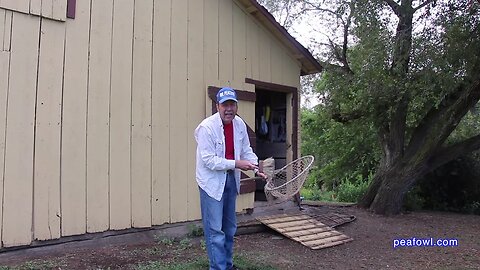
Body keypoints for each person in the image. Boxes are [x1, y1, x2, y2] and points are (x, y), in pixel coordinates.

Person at [194, 87, 266, 270]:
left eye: (232, 104)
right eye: (225, 104)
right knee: (215, 231)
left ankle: (227, 265)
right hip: (211, 184)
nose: (229, 109)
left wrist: (256, 168)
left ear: (236, 106)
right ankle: (218, 268)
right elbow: (209, 161)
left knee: (229, 229)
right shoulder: (207, 128)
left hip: (230, 181)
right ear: (217, 106)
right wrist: (237, 164)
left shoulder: (239, 124)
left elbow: (246, 150)